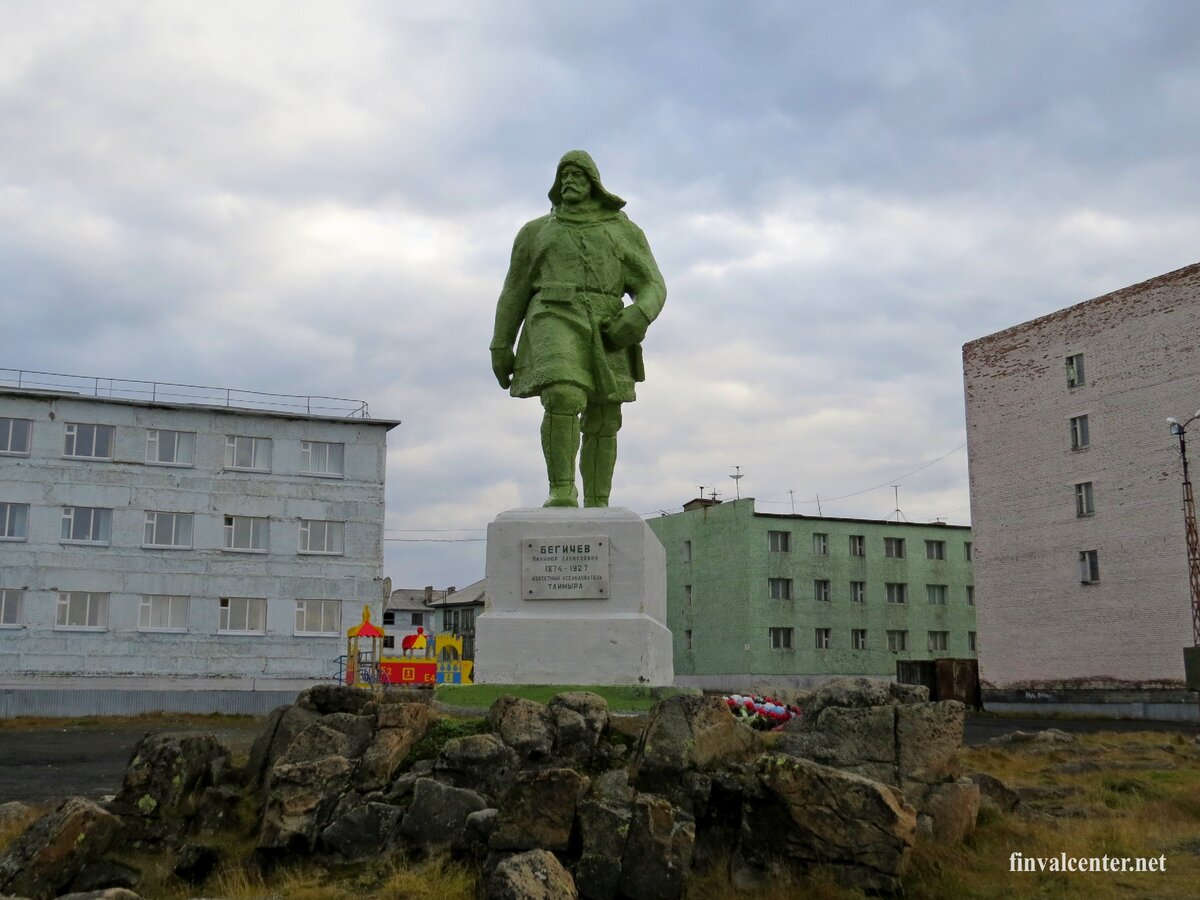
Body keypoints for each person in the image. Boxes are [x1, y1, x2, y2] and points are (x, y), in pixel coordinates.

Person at [490, 150, 666, 508]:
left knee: (605, 415)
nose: (569, 181)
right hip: (553, 313)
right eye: (564, 175)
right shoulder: (535, 232)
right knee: (563, 397)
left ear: (594, 183)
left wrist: (640, 315)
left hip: (606, 321)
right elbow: (514, 291)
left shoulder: (623, 231)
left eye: (578, 175)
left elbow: (653, 284)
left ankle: (598, 501)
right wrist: (500, 344)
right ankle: (562, 490)